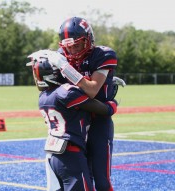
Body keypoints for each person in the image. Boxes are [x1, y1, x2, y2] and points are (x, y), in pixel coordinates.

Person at [37, 17, 126, 191]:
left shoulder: (102, 54)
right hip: (75, 125)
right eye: (68, 46)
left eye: (76, 45)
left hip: (98, 122)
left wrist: (66, 67)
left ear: (88, 39)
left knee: (101, 179)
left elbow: (92, 90)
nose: (72, 50)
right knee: (81, 178)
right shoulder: (62, 56)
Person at [26, 56, 118, 191]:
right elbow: (104, 110)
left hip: (54, 155)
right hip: (71, 153)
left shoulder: (43, 96)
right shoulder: (65, 92)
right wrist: (112, 103)